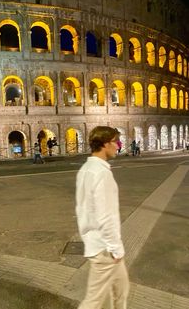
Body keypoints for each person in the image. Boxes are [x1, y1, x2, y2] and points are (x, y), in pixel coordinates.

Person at [75, 126, 129, 309]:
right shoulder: (101, 173)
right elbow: (106, 216)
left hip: (98, 244)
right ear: (106, 144)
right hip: (105, 248)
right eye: (117, 142)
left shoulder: (86, 169)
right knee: (94, 301)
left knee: (120, 292)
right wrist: (115, 249)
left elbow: (81, 207)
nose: (119, 146)